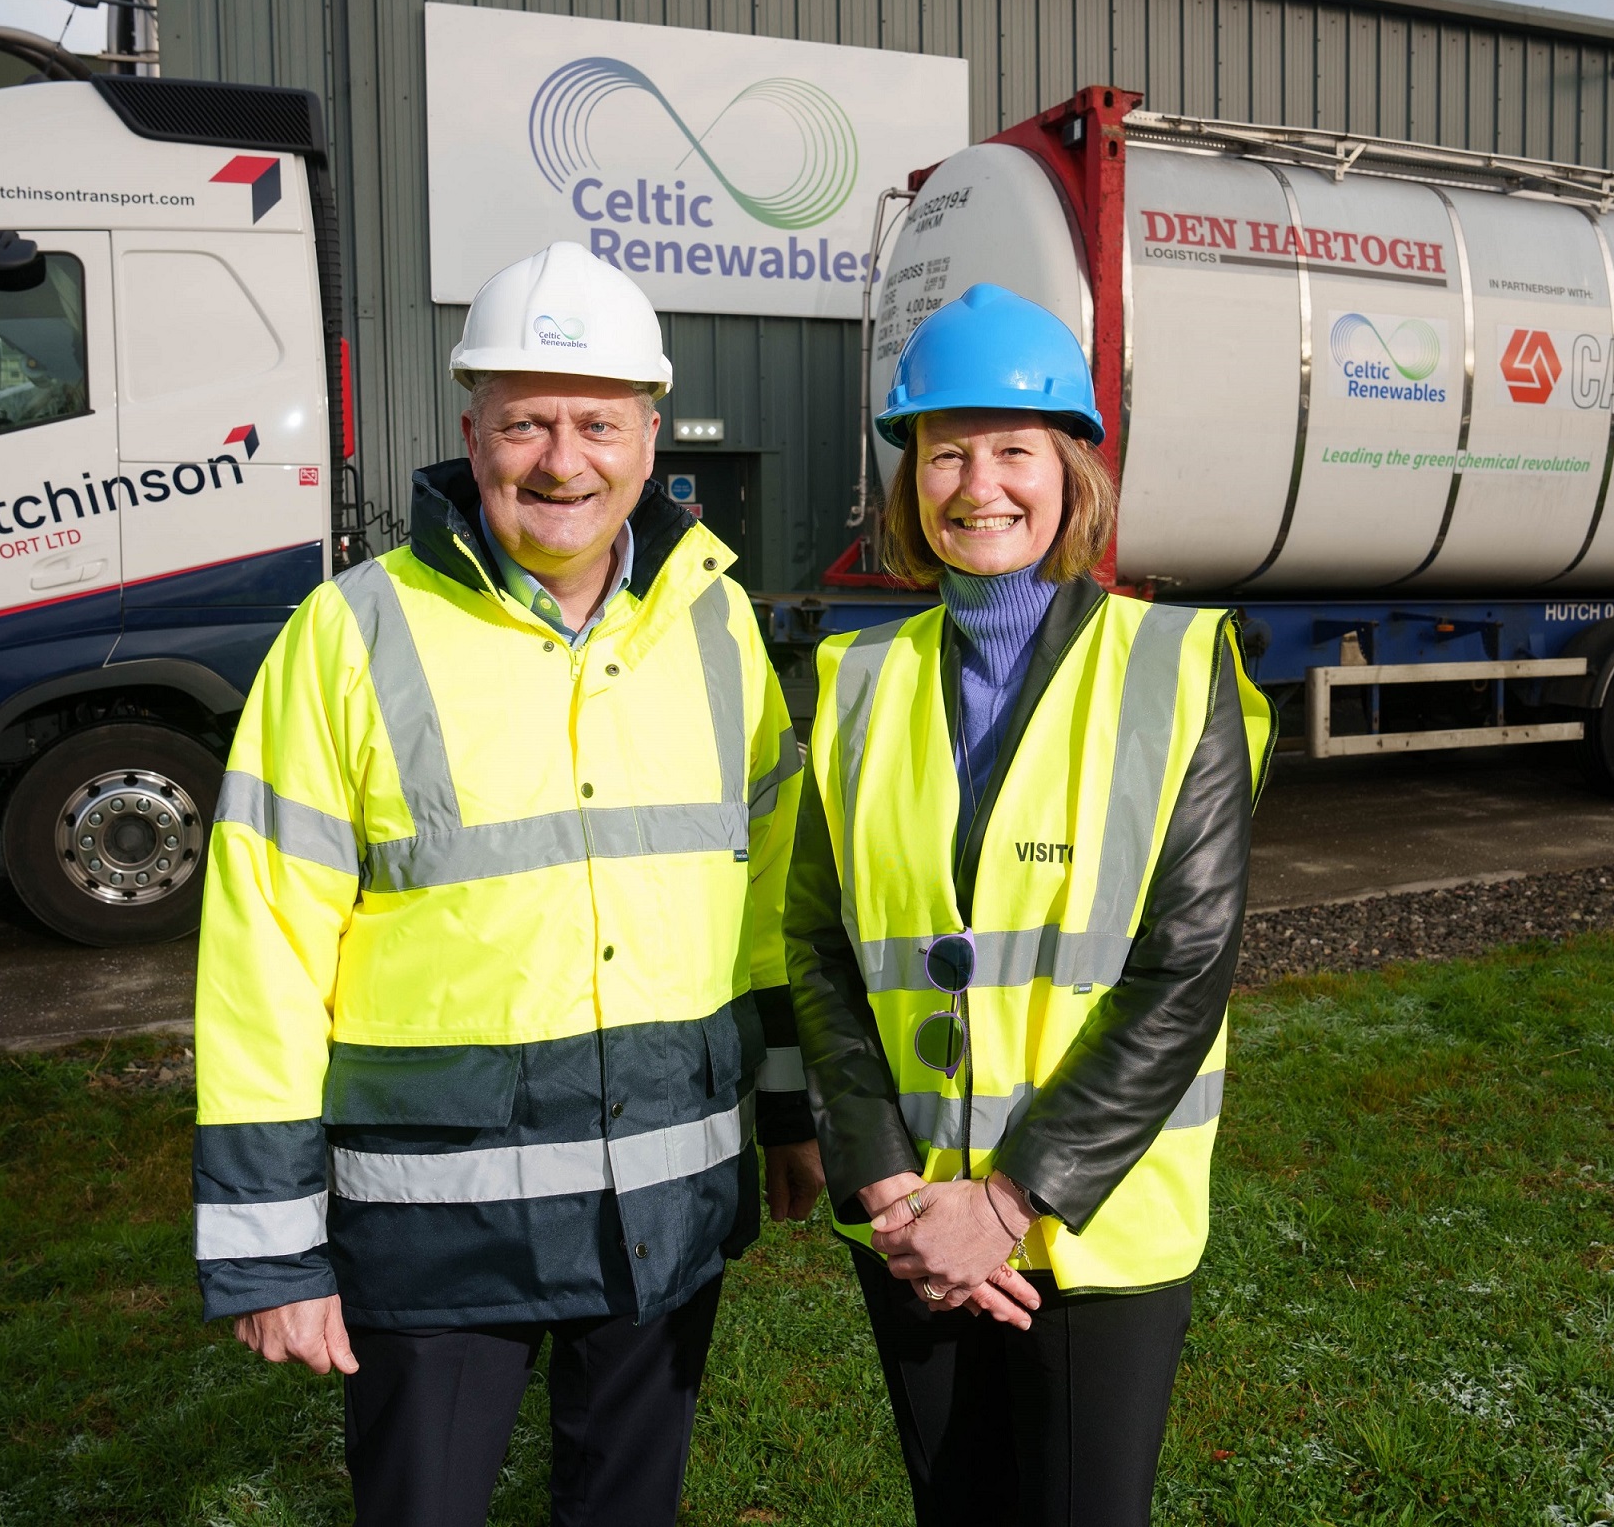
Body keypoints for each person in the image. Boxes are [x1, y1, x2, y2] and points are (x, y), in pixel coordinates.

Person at [190, 240, 824, 1527]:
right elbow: (262, 945)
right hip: (438, 1230)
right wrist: (266, 1238)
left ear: (650, 437)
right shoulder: (351, 631)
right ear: (470, 430)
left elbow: (767, 898)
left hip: (664, 1202)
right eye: (527, 422)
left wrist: (790, 1109)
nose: (562, 459)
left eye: (596, 421)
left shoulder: (717, 622)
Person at [786, 282, 1272, 1525]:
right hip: (911, 1229)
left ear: (1069, 475)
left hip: (1092, 1231)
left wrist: (1005, 1203)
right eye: (944, 451)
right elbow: (821, 950)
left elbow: (1186, 967)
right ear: (909, 481)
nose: (977, 483)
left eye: (1013, 449)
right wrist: (891, 1188)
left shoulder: (1173, 665)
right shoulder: (851, 679)